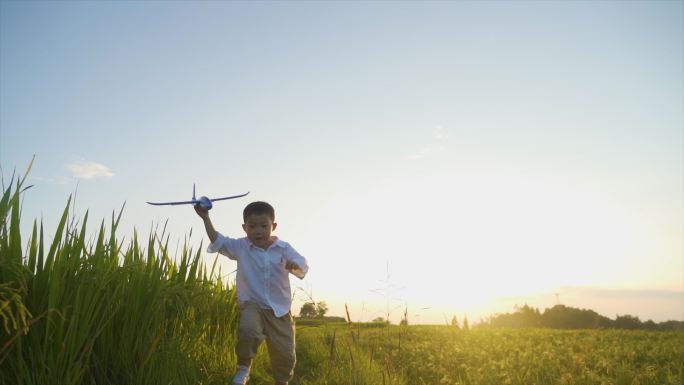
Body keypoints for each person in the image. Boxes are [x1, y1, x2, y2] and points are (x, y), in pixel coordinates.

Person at [194, 201, 309, 385]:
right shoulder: (241, 247)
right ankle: (244, 368)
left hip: (280, 311)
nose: (258, 231)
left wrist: (295, 266)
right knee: (248, 330)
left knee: (286, 356)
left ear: (274, 226)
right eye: (252, 226)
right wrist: (205, 217)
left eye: (264, 226)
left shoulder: (283, 248)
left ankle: (282, 381)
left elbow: (301, 264)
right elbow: (218, 240)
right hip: (253, 305)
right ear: (244, 227)